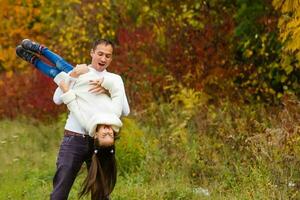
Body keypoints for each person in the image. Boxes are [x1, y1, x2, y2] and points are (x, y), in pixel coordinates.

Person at [16, 39, 130, 199]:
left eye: (108, 56)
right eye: (100, 54)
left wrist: (108, 88)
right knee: (60, 191)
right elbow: (57, 99)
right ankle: (37, 51)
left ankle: (33, 59)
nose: (103, 59)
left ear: (111, 58)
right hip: (74, 139)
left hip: (99, 143)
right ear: (92, 53)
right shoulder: (81, 70)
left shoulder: (115, 79)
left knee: (101, 193)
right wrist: (73, 75)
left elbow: (125, 110)